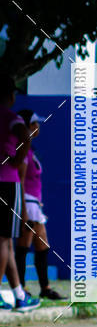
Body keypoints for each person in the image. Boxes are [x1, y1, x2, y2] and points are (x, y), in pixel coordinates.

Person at [0, 74, 40, 311]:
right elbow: (25, 136)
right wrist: (17, 160)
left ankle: (19, 295)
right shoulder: (11, 117)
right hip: (6, 181)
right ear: (9, 95)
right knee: (4, 240)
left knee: (5, 243)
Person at [15, 109, 63, 300]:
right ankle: (21, 288)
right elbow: (20, 180)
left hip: (35, 205)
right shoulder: (22, 150)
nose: (37, 127)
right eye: (34, 124)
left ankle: (45, 288)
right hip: (27, 204)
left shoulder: (30, 151)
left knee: (42, 245)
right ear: (25, 126)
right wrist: (24, 212)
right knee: (23, 246)